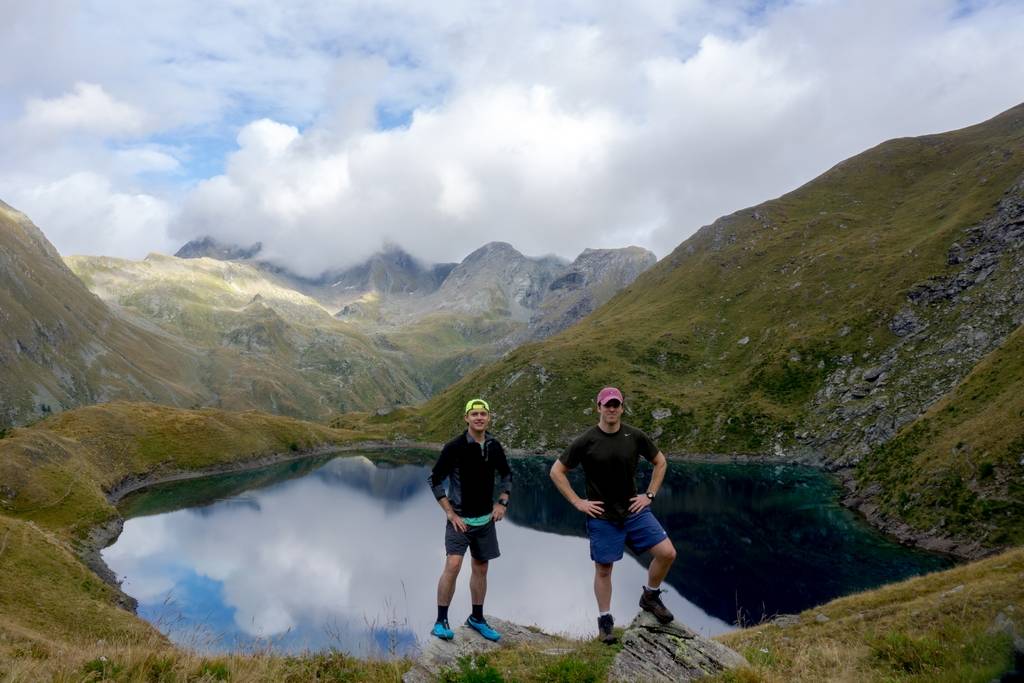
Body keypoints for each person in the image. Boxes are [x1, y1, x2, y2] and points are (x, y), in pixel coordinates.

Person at [549, 386, 678, 644]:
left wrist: (649, 495)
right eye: (607, 404)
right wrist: (578, 502)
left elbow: (660, 462)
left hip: (634, 510)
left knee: (667, 553)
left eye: (616, 404)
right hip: (602, 516)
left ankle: (650, 596)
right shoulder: (586, 440)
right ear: (598, 407)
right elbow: (556, 471)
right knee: (605, 569)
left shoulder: (634, 435)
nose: (611, 409)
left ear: (622, 407)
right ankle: (605, 621)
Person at [427, 398, 512, 642]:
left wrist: (502, 502)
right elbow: (434, 480)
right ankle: (441, 621)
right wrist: (449, 512)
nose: (478, 418)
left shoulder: (494, 446)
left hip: (485, 521)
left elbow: (506, 474)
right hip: (459, 521)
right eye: (474, 414)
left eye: (483, 414)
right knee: (453, 565)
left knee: (481, 568)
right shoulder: (454, 447)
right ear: (466, 418)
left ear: (488, 417)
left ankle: (476, 617)